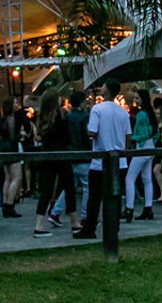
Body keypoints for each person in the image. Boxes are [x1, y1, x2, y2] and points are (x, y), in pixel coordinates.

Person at [74, 78, 132, 239]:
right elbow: (128, 135)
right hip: (119, 161)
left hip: (100, 161)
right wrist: (124, 151)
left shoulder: (97, 109)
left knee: (94, 197)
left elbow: (92, 132)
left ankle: (89, 228)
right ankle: (114, 227)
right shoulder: (122, 112)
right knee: (115, 195)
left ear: (106, 90)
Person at [33, 90, 76, 237]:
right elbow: (67, 137)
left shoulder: (42, 117)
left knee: (46, 191)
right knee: (69, 188)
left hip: (47, 155)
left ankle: (39, 225)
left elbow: (39, 137)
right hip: (61, 154)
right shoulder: (61, 116)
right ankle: (75, 222)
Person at [123, 92, 157, 221]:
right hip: (150, 147)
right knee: (147, 178)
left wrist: (132, 138)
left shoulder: (141, 115)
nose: (135, 100)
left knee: (130, 178)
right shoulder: (150, 114)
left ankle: (129, 208)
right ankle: (148, 208)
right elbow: (155, 132)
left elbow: (142, 133)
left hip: (142, 147)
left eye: (137, 98)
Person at [65, 90, 92, 228]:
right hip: (83, 153)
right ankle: (84, 215)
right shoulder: (84, 118)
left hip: (70, 152)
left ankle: (56, 211)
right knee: (87, 186)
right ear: (82, 102)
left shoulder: (67, 117)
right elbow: (86, 136)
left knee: (69, 187)